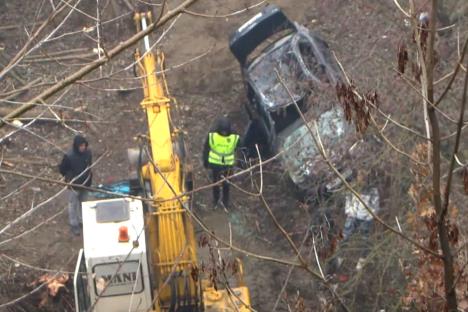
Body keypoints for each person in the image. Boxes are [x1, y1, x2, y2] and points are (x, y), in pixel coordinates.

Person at [203, 117, 240, 209]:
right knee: (217, 184)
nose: (224, 133)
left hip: (223, 165)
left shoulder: (233, 137)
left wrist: (205, 162)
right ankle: (218, 201)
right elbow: (206, 149)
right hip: (219, 165)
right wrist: (206, 161)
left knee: (225, 185)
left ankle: (223, 202)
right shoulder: (233, 136)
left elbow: (206, 149)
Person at [59, 135, 92, 236]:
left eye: (84, 145)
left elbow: (89, 166)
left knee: (84, 203)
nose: (83, 147)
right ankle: (74, 224)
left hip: (85, 183)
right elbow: (62, 169)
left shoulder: (88, 153)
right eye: (81, 146)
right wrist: (69, 177)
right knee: (73, 205)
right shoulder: (69, 156)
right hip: (73, 185)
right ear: (76, 146)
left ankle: (83, 220)